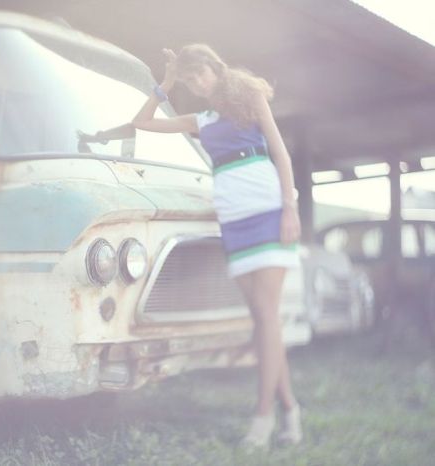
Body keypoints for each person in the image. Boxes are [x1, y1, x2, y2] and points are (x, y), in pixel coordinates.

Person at [130, 44, 303, 448]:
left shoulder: (252, 99)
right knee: (262, 321)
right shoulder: (201, 120)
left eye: (198, 74)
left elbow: (280, 152)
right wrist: (166, 84)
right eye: (189, 79)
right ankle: (291, 410)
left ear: (215, 68)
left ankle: (263, 419)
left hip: (268, 211)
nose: (197, 83)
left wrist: (290, 207)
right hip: (234, 221)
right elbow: (141, 122)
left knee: (266, 316)